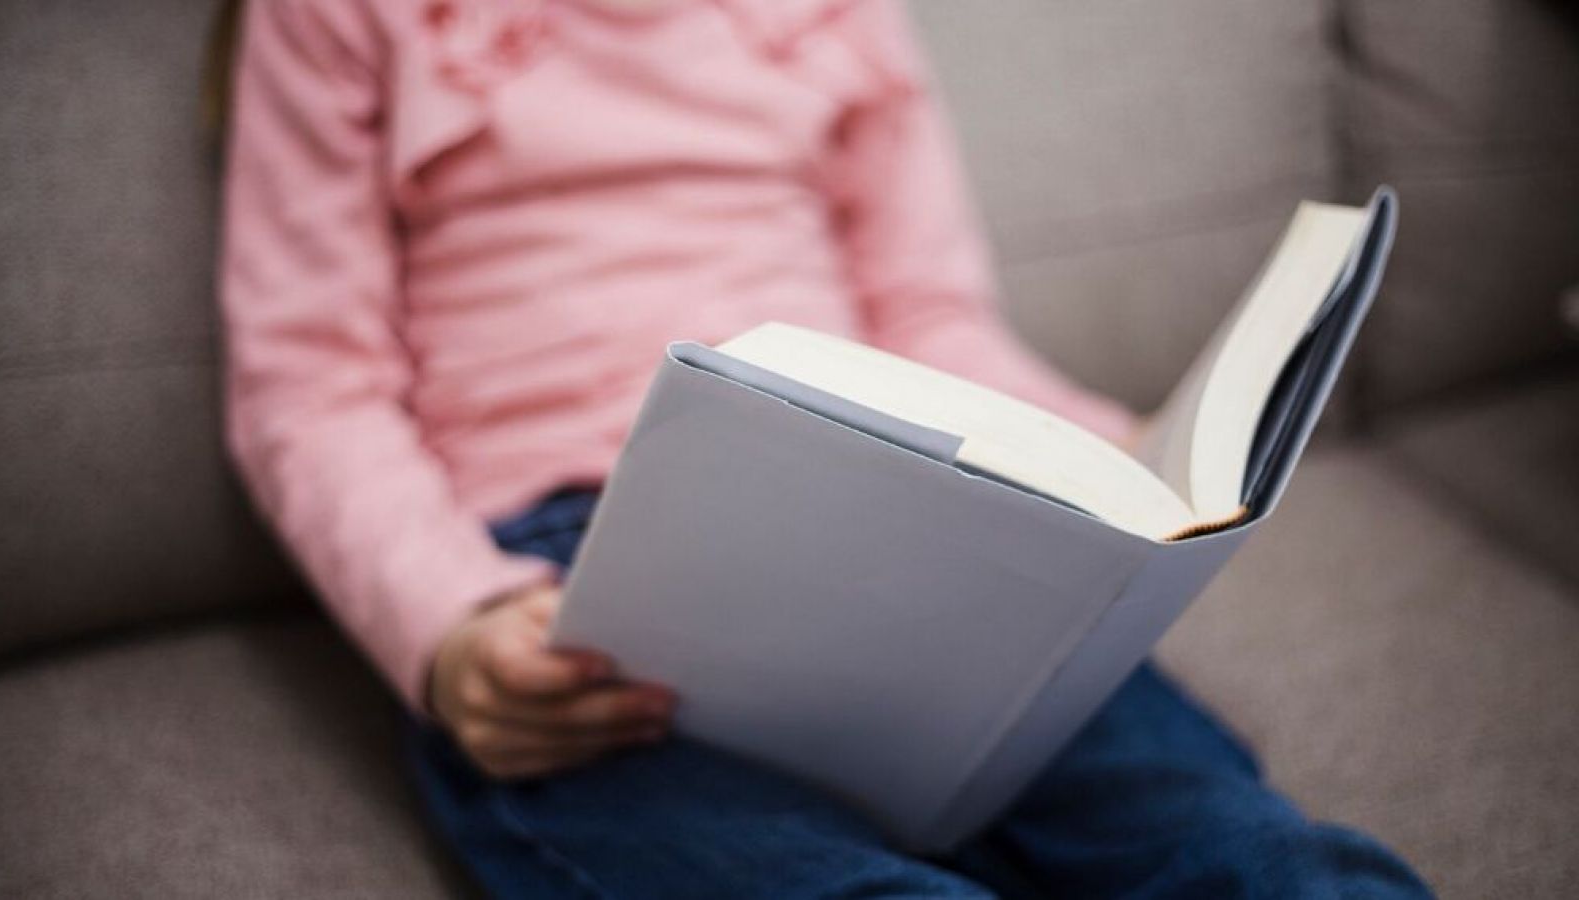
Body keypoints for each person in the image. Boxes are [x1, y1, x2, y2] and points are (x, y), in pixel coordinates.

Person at [216, 0, 1435, 896]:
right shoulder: (337, 15)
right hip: (571, 587)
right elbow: (306, 386)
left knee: (1244, 851)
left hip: (925, 521)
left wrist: (1120, 466)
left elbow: (930, 315)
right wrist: (449, 627)